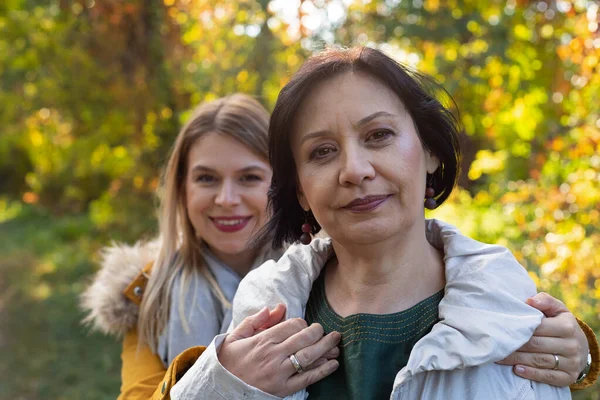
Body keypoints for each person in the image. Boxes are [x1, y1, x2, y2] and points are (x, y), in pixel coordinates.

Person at [81, 90, 598, 400]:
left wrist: (577, 350)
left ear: (287, 186)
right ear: (180, 190)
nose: (227, 199)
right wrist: (219, 372)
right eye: (206, 179)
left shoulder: (326, 267)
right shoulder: (151, 292)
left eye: (250, 177)